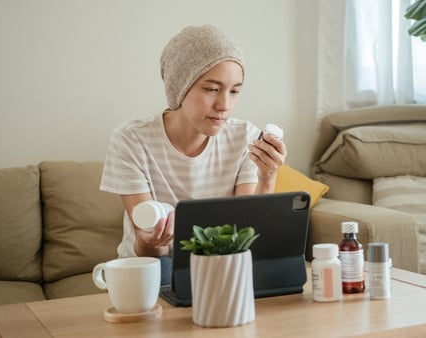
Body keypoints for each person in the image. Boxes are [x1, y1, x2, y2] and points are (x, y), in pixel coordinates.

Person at [99, 25, 287, 285]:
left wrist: (267, 177)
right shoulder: (131, 140)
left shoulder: (244, 137)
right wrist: (149, 238)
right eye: (211, 89)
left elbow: (247, 236)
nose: (225, 106)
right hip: (150, 265)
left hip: (220, 258)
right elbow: (152, 251)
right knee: (162, 275)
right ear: (180, 87)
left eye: (234, 91)